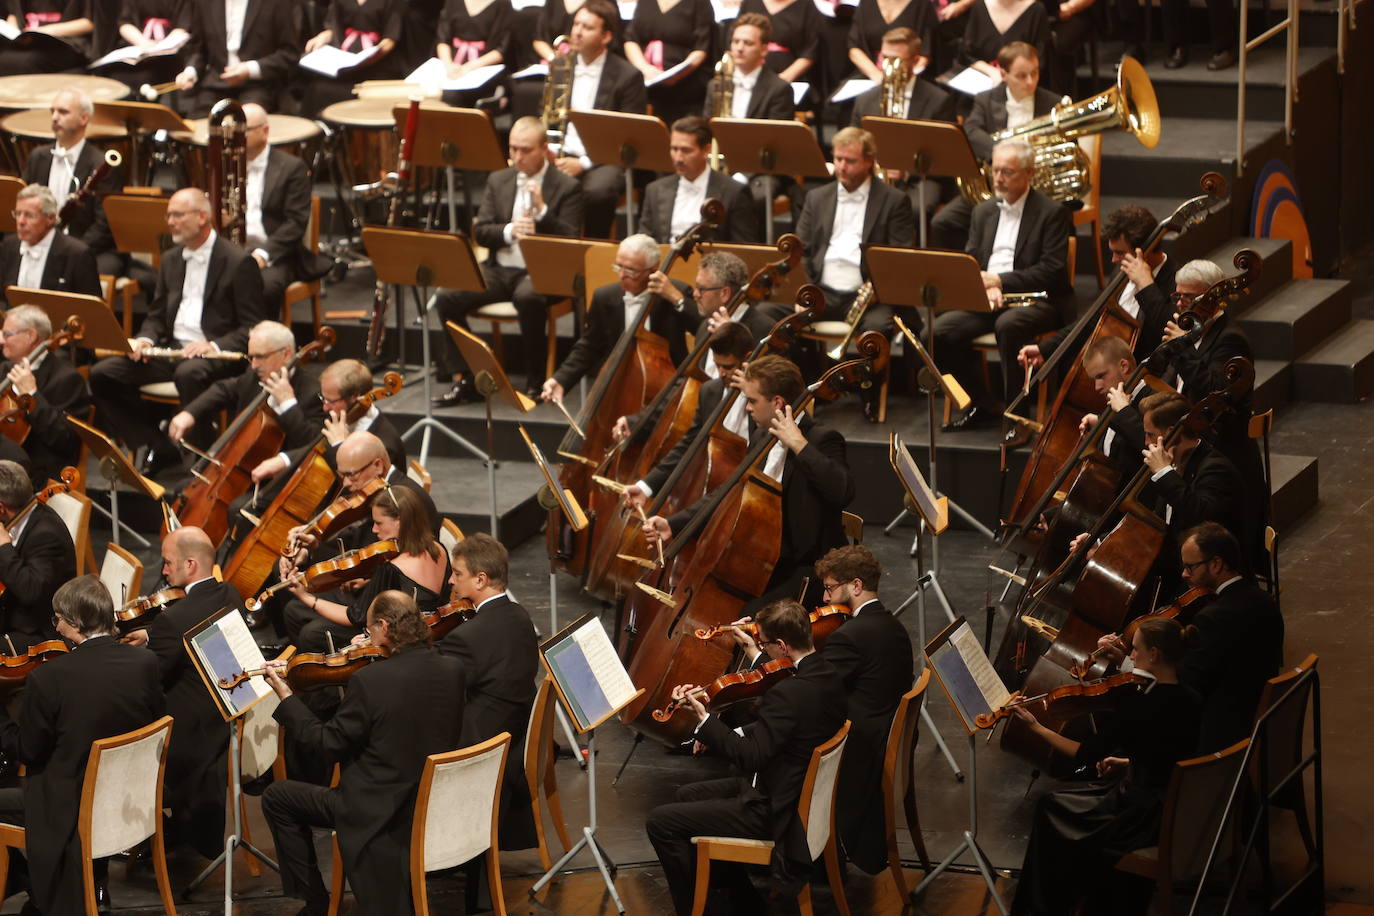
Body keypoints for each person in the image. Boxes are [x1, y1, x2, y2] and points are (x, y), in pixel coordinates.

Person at [262, 590, 466, 915]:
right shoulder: (452, 670)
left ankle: (315, 902)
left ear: (384, 627)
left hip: (377, 809)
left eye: (370, 630)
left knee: (277, 797)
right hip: (431, 801)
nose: (367, 637)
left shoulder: (371, 681)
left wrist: (288, 699)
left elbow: (326, 745)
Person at [645, 598, 847, 915]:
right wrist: (717, 727)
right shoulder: (827, 674)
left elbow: (751, 758)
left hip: (776, 811)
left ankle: (701, 909)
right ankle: (740, 900)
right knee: (687, 795)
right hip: (792, 793)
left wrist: (704, 721)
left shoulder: (788, 692)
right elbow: (784, 731)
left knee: (661, 823)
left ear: (782, 645)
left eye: (764, 644)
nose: (762, 651)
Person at [1009, 616, 1202, 916]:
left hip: (1142, 815)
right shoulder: (1192, 698)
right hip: (1175, 804)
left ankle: (1041, 909)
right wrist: (1128, 762)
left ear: (1155, 655)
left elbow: (1083, 754)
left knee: (1051, 806)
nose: (1131, 656)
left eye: (1135, 650)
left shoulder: (1141, 706)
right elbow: (1171, 754)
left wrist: (1036, 727)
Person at [0, 576, 164, 915]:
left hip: (70, 808)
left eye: (58, 619)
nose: (56, 628)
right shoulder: (144, 664)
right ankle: (90, 883)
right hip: (130, 803)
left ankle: (31, 885)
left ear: (75, 622)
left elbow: (29, 752)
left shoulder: (49, 679)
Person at [643, 355, 853, 606]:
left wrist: (798, 445)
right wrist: (673, 524)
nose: (747, 408)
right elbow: (729, 490)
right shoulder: (760, 436)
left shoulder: (822, 439)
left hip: (807, 570)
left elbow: (842, 491)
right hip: (760, 561)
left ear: (777, 402)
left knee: (747, 619)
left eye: (752, 401)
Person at [88, 187, 266, 473]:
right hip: (171, 350)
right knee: (102, 375)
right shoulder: (171, 259)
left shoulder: (237, 262)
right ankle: (157, 444)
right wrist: (145, 340)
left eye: (178, 215)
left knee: (189, 373)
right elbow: (157, 315)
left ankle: (201, 463)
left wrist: (214, 346)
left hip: (216, 356)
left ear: (202, 217)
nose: (170, 221)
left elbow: (253, 327)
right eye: (168, 215)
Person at [431, 116, 585, 405]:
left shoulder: (566, 186)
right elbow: (481, 230)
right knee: (447, 296)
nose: (517, 157)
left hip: (543, 273)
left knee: (528, 297)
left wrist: (542, 213)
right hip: (500, 269)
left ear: (544, 149)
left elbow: (571, 240)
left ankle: (536, 380)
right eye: (513, 149)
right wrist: (509, 230)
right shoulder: (498, 179)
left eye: (525, 150)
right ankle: (468, 377)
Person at [931, 137, 1070, 430]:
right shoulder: (982, 211)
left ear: (1030, 173)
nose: (998, 178)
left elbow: (1052, 271)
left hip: (1038, 300)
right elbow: (972, 261)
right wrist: (986, 286)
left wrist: (1000, 281)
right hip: (988, 298)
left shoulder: (1052, 213)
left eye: (1007, 172)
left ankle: (1017, 416)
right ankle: (982, 404)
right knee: (937, 332)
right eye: (995, 170)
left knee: (1008, 326)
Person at [793, 126, 915, 421]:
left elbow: (899, 256)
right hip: (823, 291)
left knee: (876, 331)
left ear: (870, 162)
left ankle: (868, 396)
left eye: (850, 161)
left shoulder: (894, 200)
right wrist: (804, 291)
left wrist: (877, 287)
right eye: (838, 159)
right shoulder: (816, 197)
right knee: (777, 318)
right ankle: (807, 390)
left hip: (868, 293)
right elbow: (802, 251)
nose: (841, 167)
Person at [141, 527, 248, 858]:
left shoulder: (172, 621)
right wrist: (150, 636)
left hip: (189, 738)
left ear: (190, 564)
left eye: (167, 562)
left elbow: (149, 682)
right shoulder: (230, 594)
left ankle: (144, 830)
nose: (162, 570)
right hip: (225, 715)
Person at [438, 533, 540, 850]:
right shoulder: (519, 615)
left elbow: (443, 688)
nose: (451, 583)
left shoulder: (469, 636)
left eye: (457, 574)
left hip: (482, 739)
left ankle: (434, 843)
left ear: (480, 579)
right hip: (513, 728)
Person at [283, 480, 449, 653]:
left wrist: (306, 596)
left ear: (399, 522)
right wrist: (367, 583)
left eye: (379, 523)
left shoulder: (392, 567)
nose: (374, 530)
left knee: (309, 631)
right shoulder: (438, 548)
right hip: (428, 630)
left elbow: (355, 617)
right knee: (295, 610)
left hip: (393, 638)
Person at [930, 41, 1059, 250]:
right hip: (992, 188)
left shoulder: (1053, 104)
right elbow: (970, 132)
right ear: (1004, 73)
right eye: (1021, 75)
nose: (1030, 82)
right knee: (942, 223)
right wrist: (1005, 157)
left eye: (1034, 73)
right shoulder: (986, 100)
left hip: (1035, 190)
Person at [1019, 204, 1176, 372]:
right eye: (1113, 252)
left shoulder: (1176, 281)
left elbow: (1170, 336)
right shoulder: (1121, 271)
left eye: (1120, 253)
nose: (1114, 260)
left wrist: (1147, 286)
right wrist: (1046, 349)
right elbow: (1094, 318)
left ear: (1146, 250)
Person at [539, 234, 691, 406]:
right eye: (619, 267)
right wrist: (561, 380)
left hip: (668, 391)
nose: (621, 276)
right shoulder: (604, 297)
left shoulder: (675, 293)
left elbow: (703, 330)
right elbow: (589, 346)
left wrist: (678, 300)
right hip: (619, 388)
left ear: (653, 270)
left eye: (631, 271)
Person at [622, 320, 755, 508]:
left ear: (748, 358)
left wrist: (751, 393)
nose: (722, 374)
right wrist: (646, 486)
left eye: (728, 366)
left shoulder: (764, 398)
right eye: (718, 366)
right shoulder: (709, 391)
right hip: (709, 492)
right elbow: (688, 444)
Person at [553, 0, 648, 238]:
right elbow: (549, 119)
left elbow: (629, 135)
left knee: (597, 192)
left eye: (587, 27)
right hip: (561, 151)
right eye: (576, 24)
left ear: (605, 37)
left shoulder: (628, 76)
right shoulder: (559, 67)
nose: (577, 31)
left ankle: (593, 252)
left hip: (603, 159)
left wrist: (583, 163)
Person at [166, 319, 324, 454]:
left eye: (260, 356)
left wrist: (288, 405)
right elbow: (224, 389)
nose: (254, 365)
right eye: (251, 356)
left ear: (286, 354)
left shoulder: (312, 392)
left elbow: (313, 443)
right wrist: (189, 413)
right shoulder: (253, 375)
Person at [236, 103, 334, 315]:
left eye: (244, 130)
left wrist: (263, 254)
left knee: (262, 286)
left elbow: (296, 222)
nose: (237, 136)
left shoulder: (292, 168)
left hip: (277, 254)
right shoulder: (229, 164)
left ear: (265, 131)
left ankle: (258, 342)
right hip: (235, 251)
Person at [19, 88, 127, 280]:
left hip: (86, 246)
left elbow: (104, 225)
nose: (54, 117)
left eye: (63, 112)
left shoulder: (102, 165)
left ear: (84, 118)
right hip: (39, 241)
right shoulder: (38, 157)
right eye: (52, 111)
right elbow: (24, 205)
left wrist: (68, 249)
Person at [0, 304, 92, 489]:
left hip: (34, 473)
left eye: (7, 334)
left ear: (31, 336)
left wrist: (32, 395)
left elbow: (65, 441)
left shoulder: (67, 379)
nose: (1, 340)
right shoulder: (5, 369)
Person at [638, 116, 759, 245]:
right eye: (674, 149)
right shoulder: (654, 190)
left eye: (686, 150)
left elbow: (743, 247)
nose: (678, 158)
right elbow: (645, 242)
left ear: (706, 150)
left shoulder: (734, 192)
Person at [175, 0, 301, 115]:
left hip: (260, 85)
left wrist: (249, 69)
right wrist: (191, 71)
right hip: (216, 85)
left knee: (247, 120)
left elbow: (289, 54)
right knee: (194, 130)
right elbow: (199, 49)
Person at [0, 460, 76, 651]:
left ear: (1, 508)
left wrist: (3, 547)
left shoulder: (46, 534)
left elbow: (30, 591)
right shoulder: (19, 516)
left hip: (35, 632)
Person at [0, 184, 102, 305]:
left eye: (29, 215)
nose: (21, 221)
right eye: (18, 213)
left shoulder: (77, 254)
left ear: (50, 218)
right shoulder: (9, 246)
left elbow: (91, 310)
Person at [300, 0, 404, 114]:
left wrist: (368, 58)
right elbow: (334, 27)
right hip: (346, 62)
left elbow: (390, 39)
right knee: (316, 89)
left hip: (377, 65)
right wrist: (323, 36)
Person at [623, 0, 712, 128]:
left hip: (682, 87)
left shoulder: (699, 3)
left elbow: (701, 49)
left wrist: (674, 75)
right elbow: (630, 39)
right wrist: (644, 68)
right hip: (644, 82)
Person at [851, 28, 957, 125]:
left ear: (915, 61)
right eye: (885, 58)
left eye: (897, 60)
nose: (889, 65)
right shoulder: (864, 100)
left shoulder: (938, 101)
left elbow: (945, 144)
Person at [709, 14, 797, 120]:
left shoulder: (780, 89)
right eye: (736, 41)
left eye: (748, 43)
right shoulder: (716, 85)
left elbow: (777, 135)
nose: (739, 48)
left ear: (764, 50)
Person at [435, 0, 512, 106]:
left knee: (454, 96)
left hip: (483, 69)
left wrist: (468, 67)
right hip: (454, 67)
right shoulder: (453, 2)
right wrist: (449, 66)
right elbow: (443, 40)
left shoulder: (502, 4)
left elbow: (501, 51)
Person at [847, 0, 937, 81]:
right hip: (870, 73)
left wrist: (903, 78)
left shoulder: (922, 4)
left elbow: (925, 54)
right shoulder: (866, 2)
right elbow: (854, 47)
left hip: (909, 75)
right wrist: (876, 75)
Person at [734, 0, 820, 83]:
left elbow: (811, 50)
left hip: (791, 80)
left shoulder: (806, 5)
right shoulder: (750, 3)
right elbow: (734, 40)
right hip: (749, 78)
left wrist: (782, 80)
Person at [956, 0, 1048, 73]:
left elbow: (1040, 61)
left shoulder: (1036, 10)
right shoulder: (980, 6)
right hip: (981, 81)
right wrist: (991, 71)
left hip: (1021, 86)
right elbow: (966, 54)